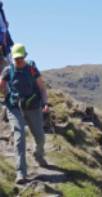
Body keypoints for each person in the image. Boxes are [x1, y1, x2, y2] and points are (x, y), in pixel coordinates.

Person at [0, 43, 49, 185]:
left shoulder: (32, 69)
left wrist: (45, 103)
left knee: (40, 137)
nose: (18, 61)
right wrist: (6, 94)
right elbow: (1, 85)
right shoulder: (8, 70)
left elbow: (42, 88)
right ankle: (21, 172)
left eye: (21, 58)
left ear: (25, 56)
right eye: (16, 58)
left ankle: (38, 155)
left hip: (33, 107)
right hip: (15, 107)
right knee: (19, 137)